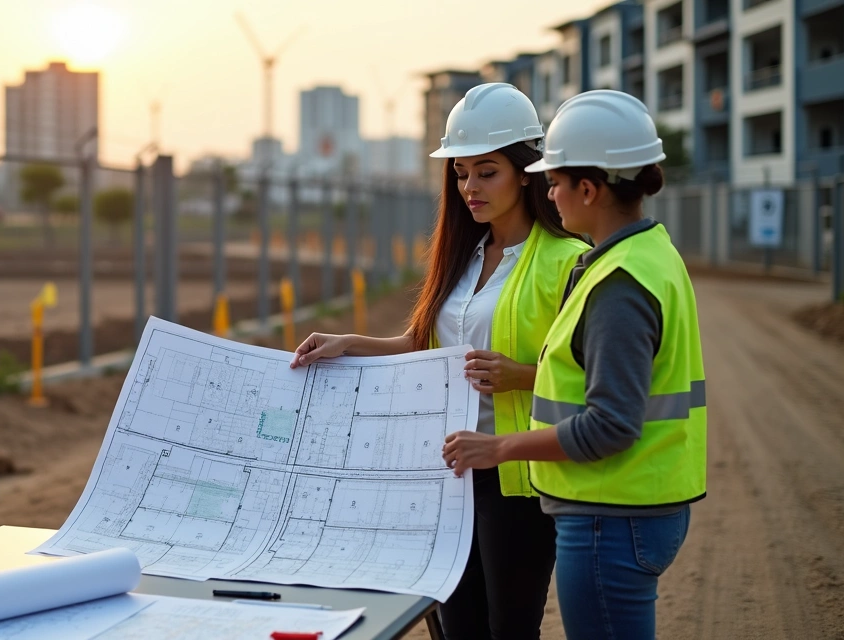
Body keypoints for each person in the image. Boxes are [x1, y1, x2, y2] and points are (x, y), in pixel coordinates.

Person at [290, 83, 588, 640]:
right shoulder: (464, 253)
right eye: (460, 172)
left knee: (509, 629)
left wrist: (519, 376)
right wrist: (349, 342)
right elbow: (426, 346)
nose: (469, 186)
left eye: (486, 171)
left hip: (517, 479)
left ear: (525, 171)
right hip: (447, 475)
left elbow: (591, 376)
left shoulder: (568, 262)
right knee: (453, 628)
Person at [442, 90, 707, 640]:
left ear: (588, 188)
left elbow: (610, 421)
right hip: (632, 503)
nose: (549, 191)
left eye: (555, 180)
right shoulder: (645, 257)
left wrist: (499, 446)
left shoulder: (617, 281)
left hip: (612, 509)